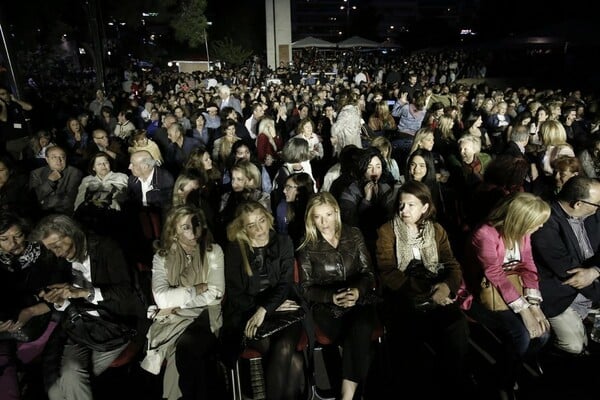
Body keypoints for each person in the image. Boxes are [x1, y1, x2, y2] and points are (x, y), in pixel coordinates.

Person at [32, 214, 145, 400]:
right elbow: (68, 303)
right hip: (81, 325)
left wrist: (85, 292)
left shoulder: (106, 247)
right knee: (58, 387)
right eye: (51, 249)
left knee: (68, 379)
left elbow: (126, 292)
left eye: (57, 245)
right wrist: (60, 301)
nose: (57, 252)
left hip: (115, 324)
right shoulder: (60, 259)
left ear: (72, 232)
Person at [375, 180, 470, 397]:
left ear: (425, 207)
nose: (404, 210)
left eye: (411, 205)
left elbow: (451, 264)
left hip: (436, 285)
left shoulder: (436, 230)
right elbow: (388, 271)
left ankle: (453, 381)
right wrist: (429, 290)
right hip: (404, 290)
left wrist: (447, 286)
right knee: (409, 334)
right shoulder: (387, 231)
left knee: (457, 325)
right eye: (401, 204)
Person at [463, 192, 551, 397]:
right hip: (481, 291)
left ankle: (511, 364)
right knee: (521, 335)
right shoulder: (484, 234)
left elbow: (528, 265)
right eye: (538, 223)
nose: (541, 227)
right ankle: (504, 379)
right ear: (521, 220)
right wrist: (525, 312)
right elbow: (494, 274)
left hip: (511, 286)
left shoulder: (523, 233)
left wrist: (535, 306)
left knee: (543, 332)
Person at [297, 193, 377, 400]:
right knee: (358, 334)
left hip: (359, 299)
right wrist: (331, 297)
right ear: (310, 219)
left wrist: (357, 291)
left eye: (329, 215)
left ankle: (346, 395)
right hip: (327, 307)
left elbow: (368, 274)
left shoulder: (354, 234)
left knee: (360, 326)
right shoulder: (306, 246)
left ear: (337, 213)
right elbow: (305, 288)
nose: (324, 222)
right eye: (318, 217)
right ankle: (355, 394)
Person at [221, 201, 304, 400]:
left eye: (262, 220)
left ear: (269, 219)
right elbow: (235, 294)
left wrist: (266, 309)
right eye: (251, 225)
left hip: (285, 311)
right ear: (243, 228)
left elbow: (285, 285)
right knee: (292, 360)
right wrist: (265, 309)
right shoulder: (235, 249)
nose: (259, 229)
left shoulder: (284, 242)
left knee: (284, 348)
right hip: (247, 314)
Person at [143, 206, 225, 399]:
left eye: (196, 223)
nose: (193, 230)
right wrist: (196, 289)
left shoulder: (213, 251)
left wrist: (177, 302)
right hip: (173, 320)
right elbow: (162, 298)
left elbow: (216, 293)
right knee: (178, 356)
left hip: (205, 316)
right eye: (186, 226)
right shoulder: (161, 257)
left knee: (185, 350)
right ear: (174, 231)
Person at [0, 211, 70, 400]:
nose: (12, 244)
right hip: (10, 320)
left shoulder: (46, 252)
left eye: (18, 236)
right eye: (4, 239)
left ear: (26, 232)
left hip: (46, 313)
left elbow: (62, 296)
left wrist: (30, 311)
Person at [531, 176, 600, 355]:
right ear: (577, 204)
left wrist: (595, 270)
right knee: (575, 346)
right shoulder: (546, 222)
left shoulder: (591, 213)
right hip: (561, 295)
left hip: (591, 283)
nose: (599, 207)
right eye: (597, 203)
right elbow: (570, 272)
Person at [28, 146, 83, 216]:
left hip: (64, 214)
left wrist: (44, 201)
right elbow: (32, 198)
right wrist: (50, 181)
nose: (59, 160)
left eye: (62, 157)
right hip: (40, 214)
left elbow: (70, 199)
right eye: (54, 157)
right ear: (47, 159)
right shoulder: (36, 173)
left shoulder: (74, 172)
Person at [275, 172, 315, 248]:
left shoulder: (314, 208)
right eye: (285, 187)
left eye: (288, 187)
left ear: (300, 189)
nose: (284, 191)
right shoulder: (282, 207)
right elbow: (282, 235)